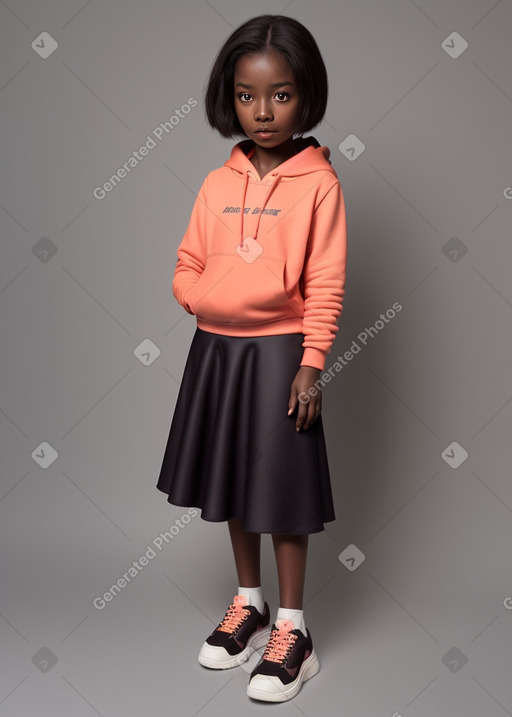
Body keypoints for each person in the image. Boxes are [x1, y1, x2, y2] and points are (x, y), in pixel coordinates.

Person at [156, 14, 347, 703]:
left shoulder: (319, 184)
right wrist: (204, 295)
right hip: (218, 352)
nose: (262, 112)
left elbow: (326, 281)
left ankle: (294, 629)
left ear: (307, 96)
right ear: (228, 96)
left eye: (281, 95)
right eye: (246, 95)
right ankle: (249, 602)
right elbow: (186, 262)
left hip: (281, 353)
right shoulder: (216, 182)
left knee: (283, 495)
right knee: (235, 481)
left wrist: (312, 360)